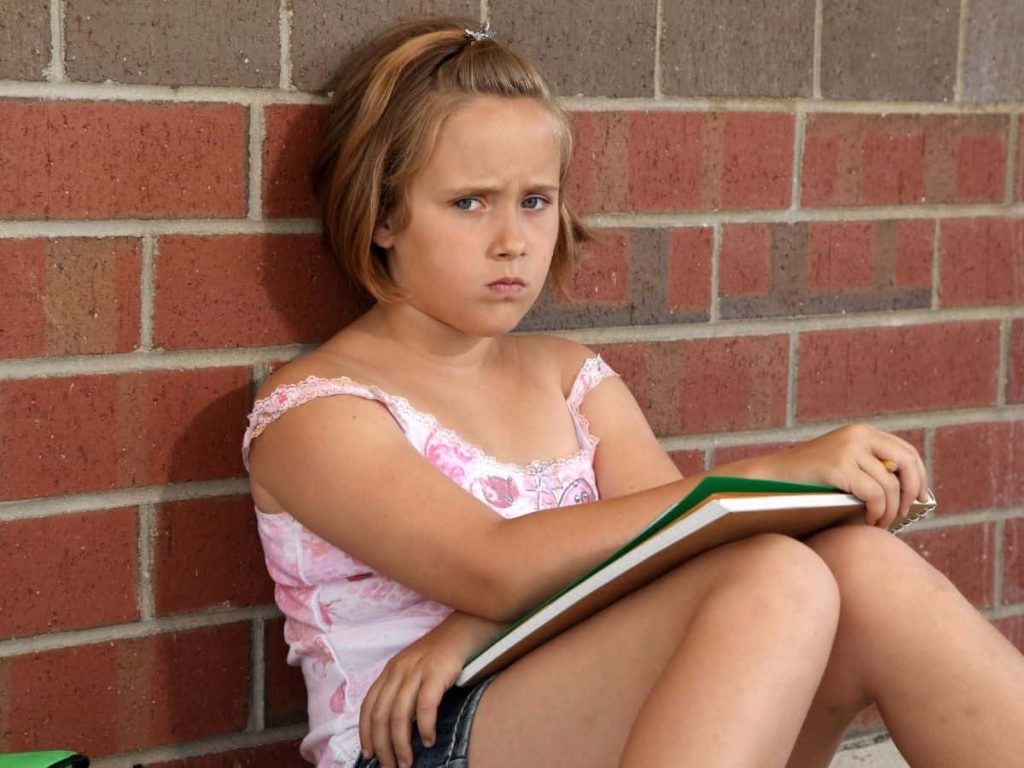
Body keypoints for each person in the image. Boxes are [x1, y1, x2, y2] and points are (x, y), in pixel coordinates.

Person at [242, 16, 1024, 768]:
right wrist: (766, 475)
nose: (513, 239)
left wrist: (474, 629)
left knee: (860, 567)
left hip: (590, 705)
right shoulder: (318, 409)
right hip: (416, 741)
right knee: (774, 577)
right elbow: (491, 566)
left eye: (535, 201)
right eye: (470, 202)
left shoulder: (567, 377)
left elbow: (672, 559)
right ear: (382, 214)